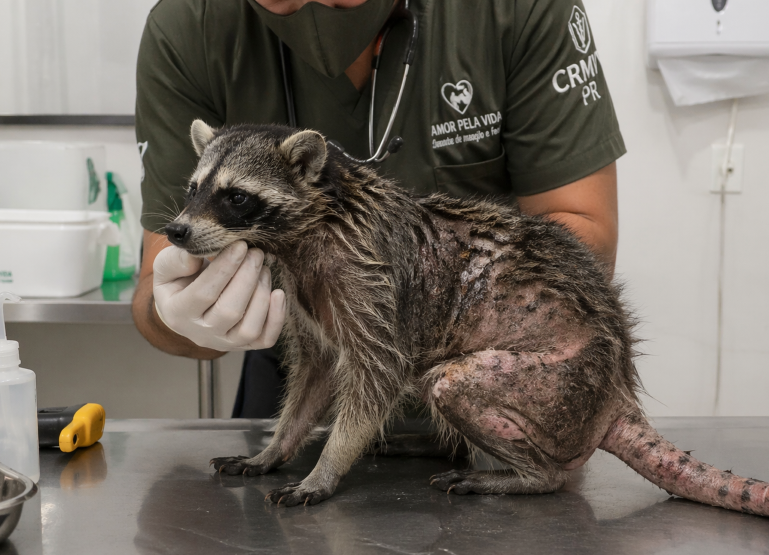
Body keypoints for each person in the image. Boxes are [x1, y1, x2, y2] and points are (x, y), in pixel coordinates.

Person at [131, 0, 626, 417]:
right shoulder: (190, 25)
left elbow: (583, 239)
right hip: (301, 369)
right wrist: (183, 317)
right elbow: (157, 288)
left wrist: (446, 318)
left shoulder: (513, 10)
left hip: (482, 370)